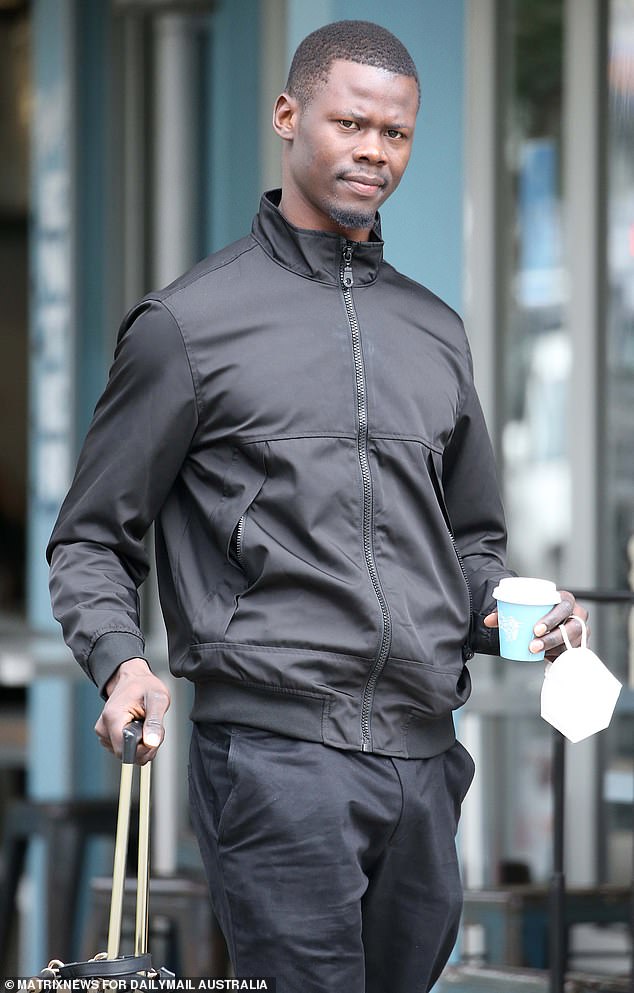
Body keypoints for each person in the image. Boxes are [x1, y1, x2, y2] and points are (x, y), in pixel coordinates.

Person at [47, 20, 588, 993]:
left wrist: (519, 618)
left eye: (396, 135)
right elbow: (92, 536)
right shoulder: (188, 326)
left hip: (425, 758)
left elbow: (470, 540)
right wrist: (119, 659)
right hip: (277, 754)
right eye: (350, 124)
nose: (374, 153)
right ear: (288, 116)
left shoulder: (434, 330)